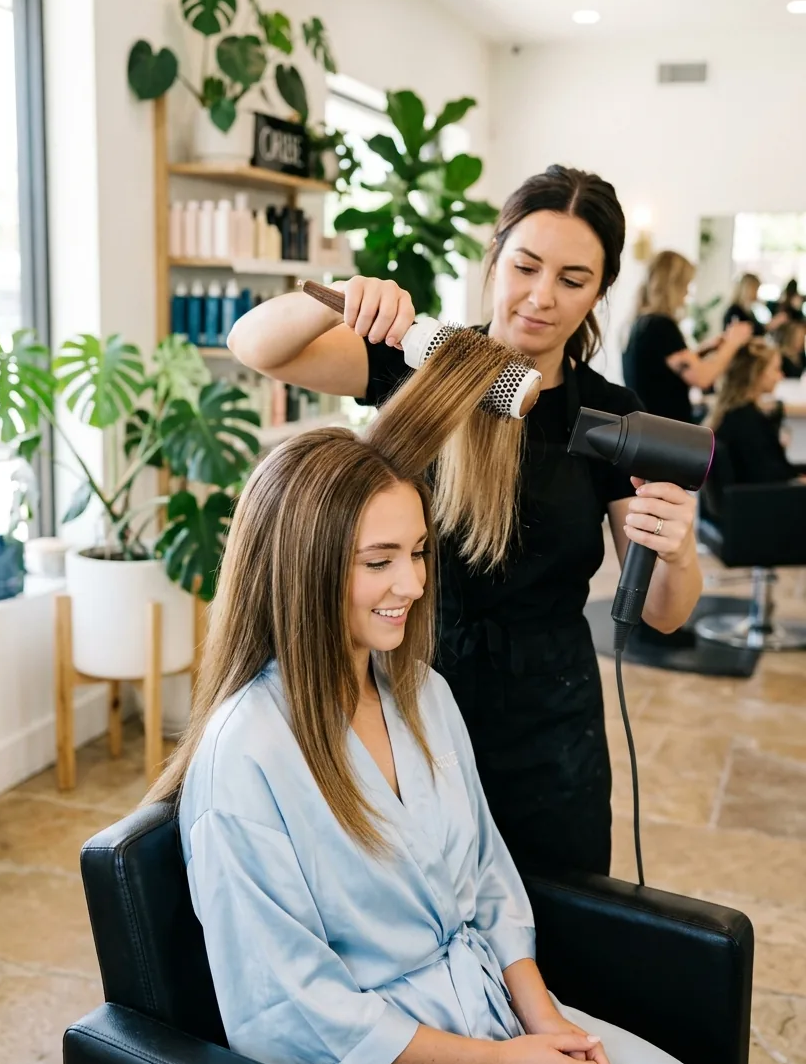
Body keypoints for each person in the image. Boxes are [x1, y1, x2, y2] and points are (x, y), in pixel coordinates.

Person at [151, 404, 771, 1064]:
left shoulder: (421, 695)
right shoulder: (246, 757)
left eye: (418, 552)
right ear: (301, 569)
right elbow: (291, 1013)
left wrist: (546, 1022)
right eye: (379, 561)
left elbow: (488, 877)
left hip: (495, 1008)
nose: (413, 584)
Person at [228, 165, 704, 877]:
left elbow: (664, 615)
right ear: (495, 256)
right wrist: (343, 298)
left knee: (555, 909)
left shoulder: (611, 415)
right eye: (525, 266)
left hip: (550, 718)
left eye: (573, 280)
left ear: (601, 292)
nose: (541, 297)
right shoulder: (422, 365)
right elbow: (255, 345)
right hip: (409, 690)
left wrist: (678, 553)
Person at [622, 251, 753, 423]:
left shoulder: (642, 323)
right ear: (673, 286)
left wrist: (706, 349)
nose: (686, 293)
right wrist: (733, 343)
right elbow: (703, 378)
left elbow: (664, 369)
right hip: (663, 431)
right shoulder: (660, 326)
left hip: (648, 427)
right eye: (685, 285)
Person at [709, 340, 806, 485]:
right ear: (757, 373)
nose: (780, 376)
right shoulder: (746, 421)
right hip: (766, 495)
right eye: (776, 369)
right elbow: (769, 478)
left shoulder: (735, 415)